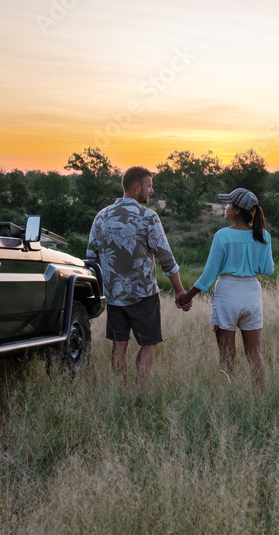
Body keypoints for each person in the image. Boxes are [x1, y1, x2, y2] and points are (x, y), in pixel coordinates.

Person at [87, 166, 190, 396]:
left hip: (114, 296)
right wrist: (180, 291)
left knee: (119, 345)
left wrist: (106, 287)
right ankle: (140, 393)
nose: (151, 190)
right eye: (149, 185)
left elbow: (91, 258)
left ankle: (119, 393)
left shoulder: (101, 216)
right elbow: (166, 257)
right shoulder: (147, 217)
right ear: (136, 187)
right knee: (148, 344)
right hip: (143, 295)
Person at [177, 188, 274, 388]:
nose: (225, 208)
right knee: (254, 352)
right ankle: (260, 395)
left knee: (227, 353)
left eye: (228, 204)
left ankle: (227, 395)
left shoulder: (223, 235)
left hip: (228, 292)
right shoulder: (264, 235)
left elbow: (209, 274)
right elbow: (268, 270)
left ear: (237, 210)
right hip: (253, 293)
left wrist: (187, 297)